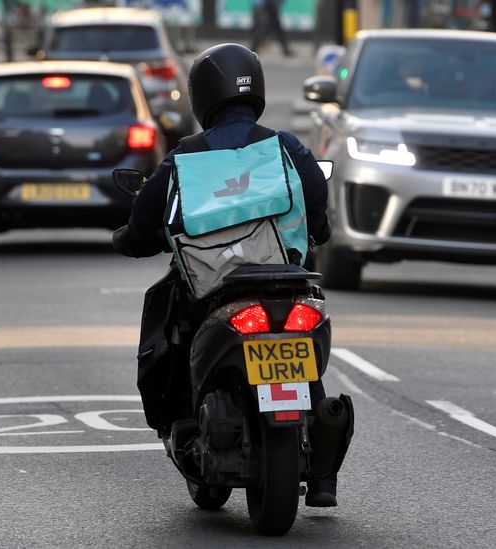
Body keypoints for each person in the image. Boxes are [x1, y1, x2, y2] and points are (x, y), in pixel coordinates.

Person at [112, 43, 338, 506]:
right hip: (286, 280)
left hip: (216, 292)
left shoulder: (184, 158)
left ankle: (188, 423)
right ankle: (322, 475)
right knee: (314, 374)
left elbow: (145, 224)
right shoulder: (285, 146)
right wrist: (318, 231)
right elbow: (316, 199)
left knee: (174, 332)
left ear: (201, 95)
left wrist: (129, 239)